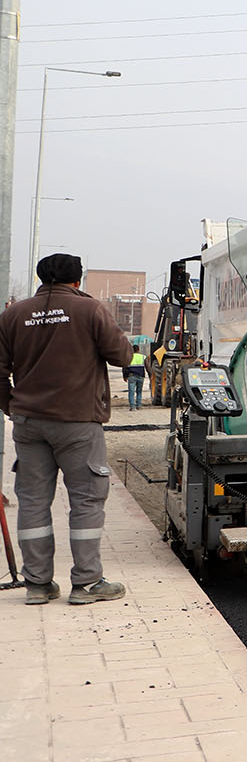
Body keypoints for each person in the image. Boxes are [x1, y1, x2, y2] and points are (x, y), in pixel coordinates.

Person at [0, 254, 133, 605]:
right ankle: (87, 584)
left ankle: (38, 585)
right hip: (77, 423)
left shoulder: (13, 314)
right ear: (78, 280)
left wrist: (12, 408)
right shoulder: (89, 311)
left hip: (29, 425)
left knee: (32, 503)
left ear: (40, 278)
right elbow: (123, 356)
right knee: (87, 500)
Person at [123, 345, 147, 410]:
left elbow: (124, 367)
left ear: (132, 350)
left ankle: (132, 407)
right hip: (141, 376)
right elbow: (147, 367)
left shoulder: (129, 357)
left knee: (131, 392)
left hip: (131, 376)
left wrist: (125, 376)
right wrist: (150, 375)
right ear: (138, 350)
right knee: (139, 391)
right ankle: (139, 406)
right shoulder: (143, 357)